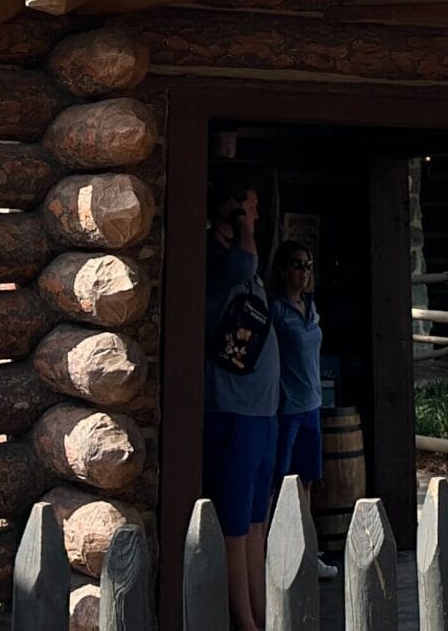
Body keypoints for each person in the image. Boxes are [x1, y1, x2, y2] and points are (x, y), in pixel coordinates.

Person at [204, 179, 277, 631]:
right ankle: (243, 620)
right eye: (247, 211)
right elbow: (245, 256)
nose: (253, 220)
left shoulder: (242, 265)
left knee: (254, 524)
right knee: (233, 525)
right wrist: (236, 222)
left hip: (261, 412)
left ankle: (260, 613)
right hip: (230, 410)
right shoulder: (219, 260)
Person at [267, 242, 335, 580]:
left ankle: (307, 553)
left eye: (307, 265)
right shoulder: (276, 310)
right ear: (282, 269)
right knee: (278, 482)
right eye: (296, 265)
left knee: (306, 481)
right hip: (286, 405)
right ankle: (271, 551)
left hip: (311, 403)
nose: (303, 272)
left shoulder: (310, 307)